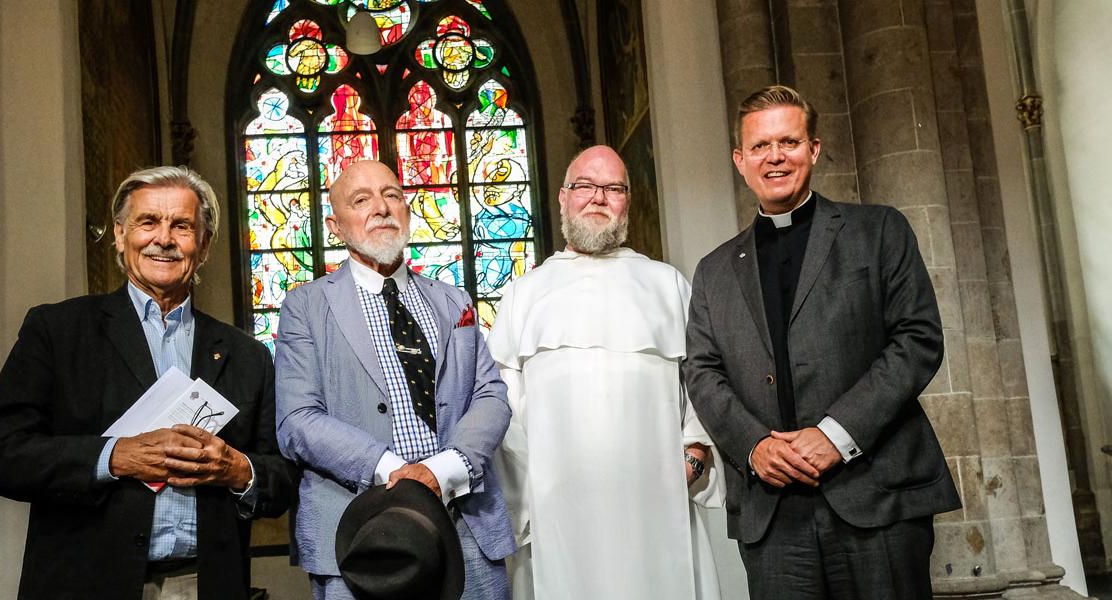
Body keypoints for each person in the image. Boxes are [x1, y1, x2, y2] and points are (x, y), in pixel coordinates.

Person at [683, 85, 962, 599]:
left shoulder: (877, 231)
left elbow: (917, 338)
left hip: (875, 497)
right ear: (740, 161)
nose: (775, 157)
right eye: (760, 147)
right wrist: (753, 445)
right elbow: (701, 371)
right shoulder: (714, 269)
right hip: (772, 513)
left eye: (788, 142)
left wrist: (836, 433)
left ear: (812, 148)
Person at [0, 166, 297, 599]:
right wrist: (114, 456)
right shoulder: (59, 330)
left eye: (181, 226)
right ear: (120, 235)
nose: (164, 238)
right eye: (148, 222)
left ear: (203, 246)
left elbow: (283, 476)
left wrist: (238, 470)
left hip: (204, 582)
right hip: (86, 581)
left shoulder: (247, 354)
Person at [488, 145, 725, 600]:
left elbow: (702, 387)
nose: (598, 197)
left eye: (614, 188)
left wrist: (691, 460)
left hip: (656, 506)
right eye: (585, 186)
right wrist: (531, 500)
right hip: (558, 515)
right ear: (562, 197)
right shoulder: (523, 295)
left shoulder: (668, 284)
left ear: (628, 202)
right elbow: (505, 412)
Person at [275, 160, 515, 599]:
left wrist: (441, 471)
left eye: (392, 195)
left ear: (407, 209)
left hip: (465, 526)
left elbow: (491, 396)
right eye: (361, 200)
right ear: (335, 225)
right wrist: (396, 472)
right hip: (360, 532)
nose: (381, 208)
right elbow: (297, 420)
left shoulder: (453, 300)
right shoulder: (304, 307)